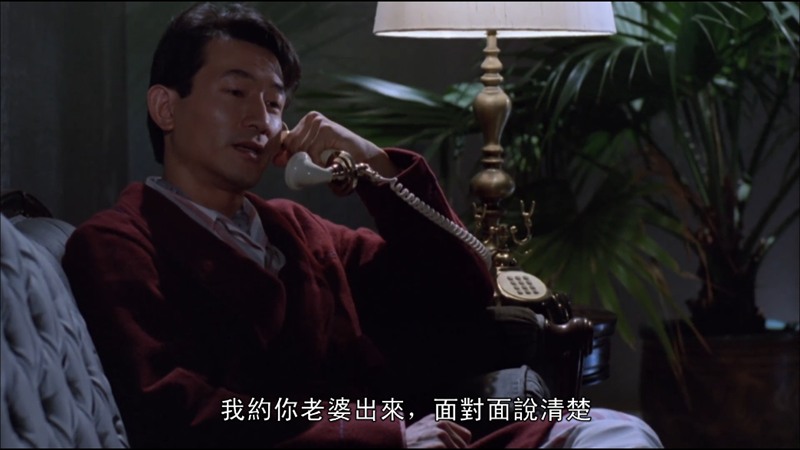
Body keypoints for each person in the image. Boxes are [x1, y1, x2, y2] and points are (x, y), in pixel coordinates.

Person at [62, 2, 663, 448]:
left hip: (427, 425)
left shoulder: (297, 229)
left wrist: (375, 166)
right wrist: (382, 433)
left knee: (612, 430)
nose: (260, 120)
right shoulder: (119, 242)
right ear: (166, 107)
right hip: (350, 440)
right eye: (236, 93)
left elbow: (461, 287)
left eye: (274, 103)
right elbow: (185, 411)